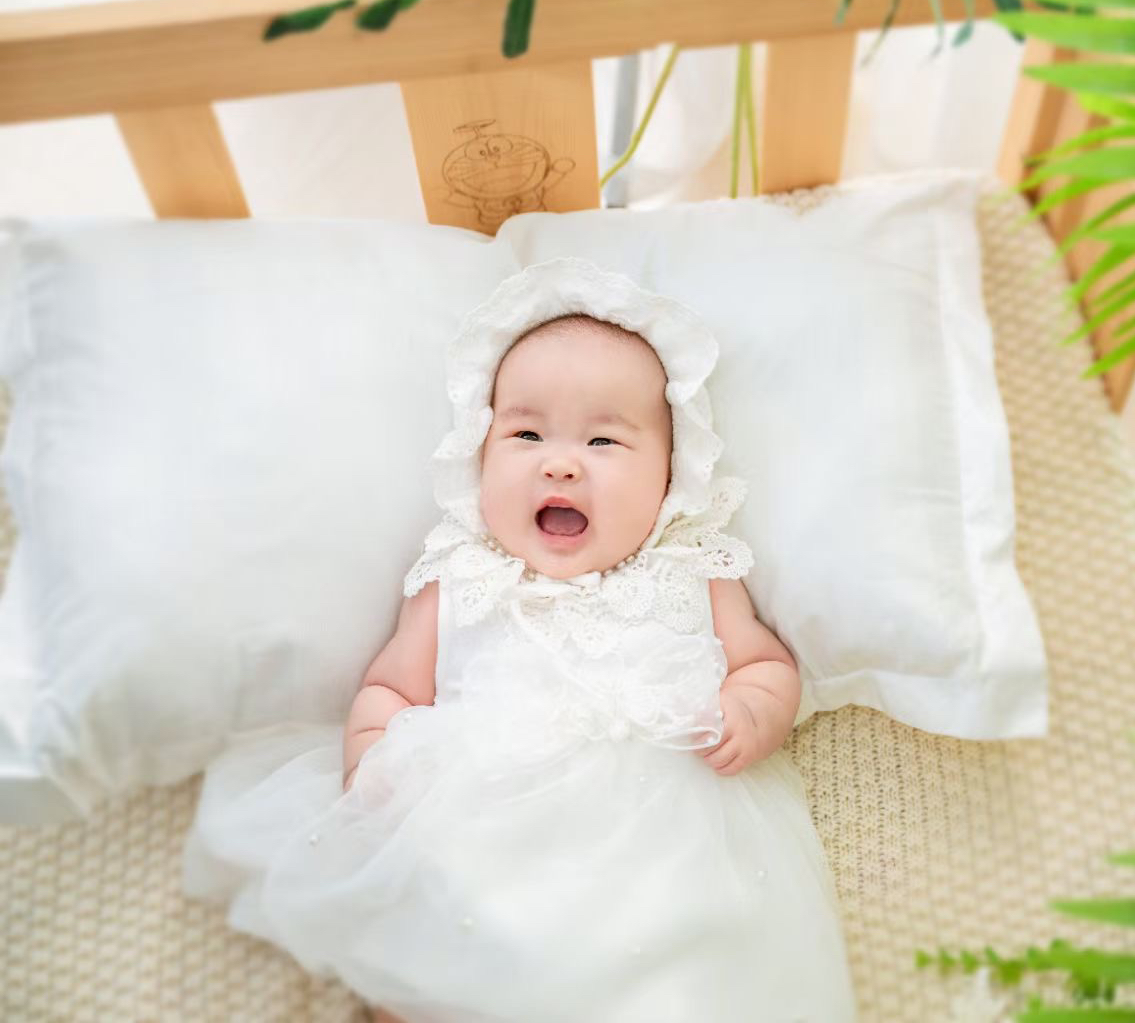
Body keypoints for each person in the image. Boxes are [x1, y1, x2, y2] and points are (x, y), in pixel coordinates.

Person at [182, 257, 858, 1022]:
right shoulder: (460, 576)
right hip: (483, 821)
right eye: (526, 433)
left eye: (604, 442)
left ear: (672, 473)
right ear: (478, 452)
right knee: (441, 952)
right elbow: (392, 687)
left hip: (663, 838)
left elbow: (764, 662)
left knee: (689, 968)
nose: (560, 463)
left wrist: (754, 708)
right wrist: (371, 765)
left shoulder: (692, 568)